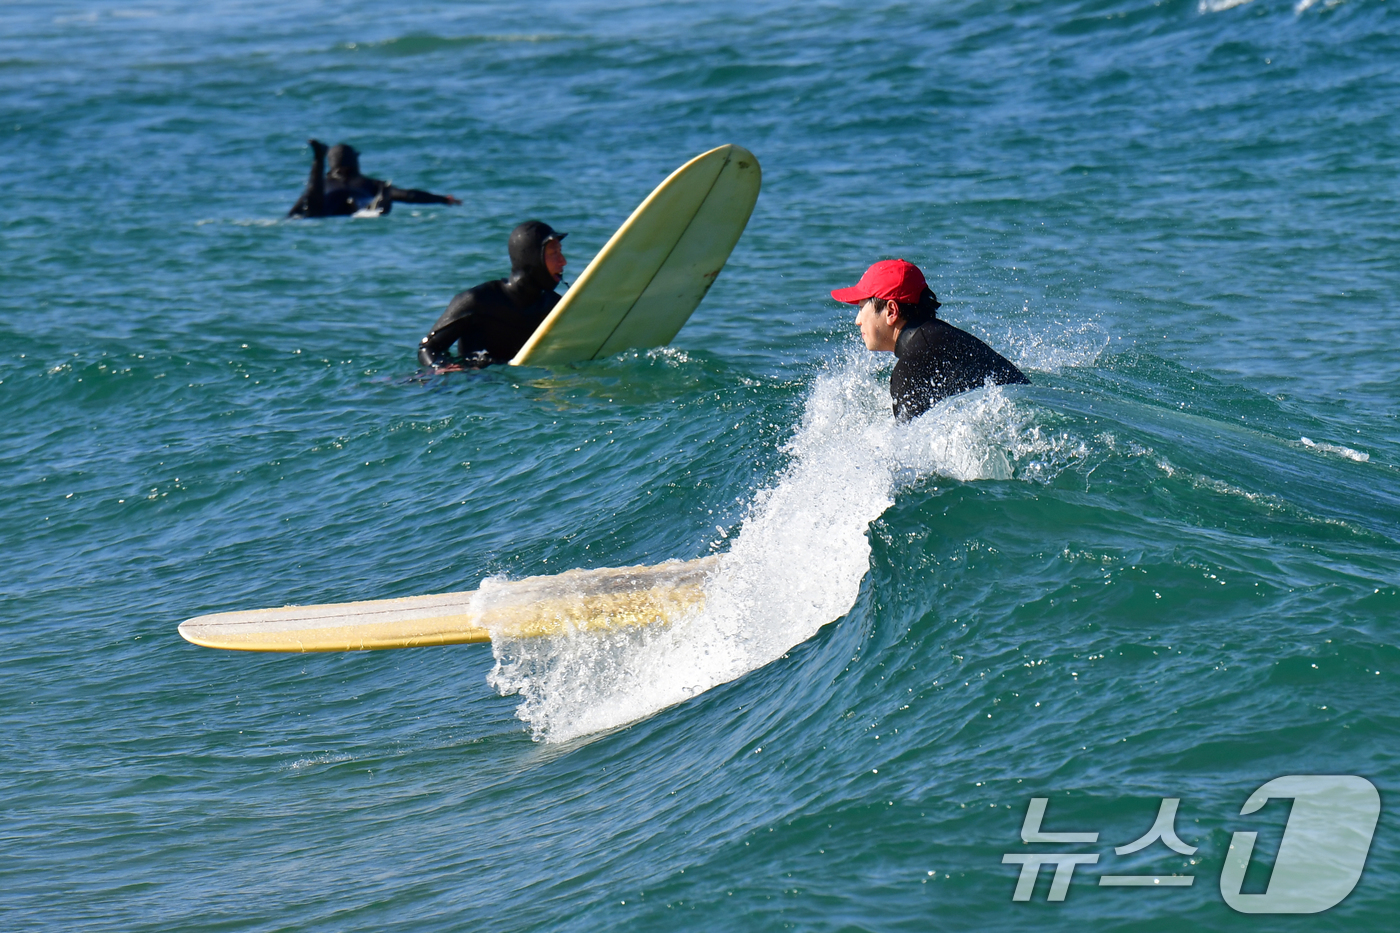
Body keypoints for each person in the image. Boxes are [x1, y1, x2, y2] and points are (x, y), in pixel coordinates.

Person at [830, 259, 1029, 421]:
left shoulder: (912, 368)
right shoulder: (942, 337)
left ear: (891, 311)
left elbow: (909, 454)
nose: (857, 321)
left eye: (861, 308)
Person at [417, 220, 568, 370]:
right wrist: (442, 366)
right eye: (554, 253)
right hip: (473, 383)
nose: (563, 261)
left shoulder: (554, 307)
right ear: (532, 258)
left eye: (560, 252)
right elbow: (427, 349)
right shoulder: (477, 301)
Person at [288, 140, 461, 218]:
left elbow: (298, 208)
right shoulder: (370, 184)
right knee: (364, 204)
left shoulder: (324, 184)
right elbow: (408, 195)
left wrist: (289, 217)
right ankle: (378, 203)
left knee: (311, 202)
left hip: (324, 206)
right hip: (356, 204)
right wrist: (442, 199)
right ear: (354, 161)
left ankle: (318, 160)